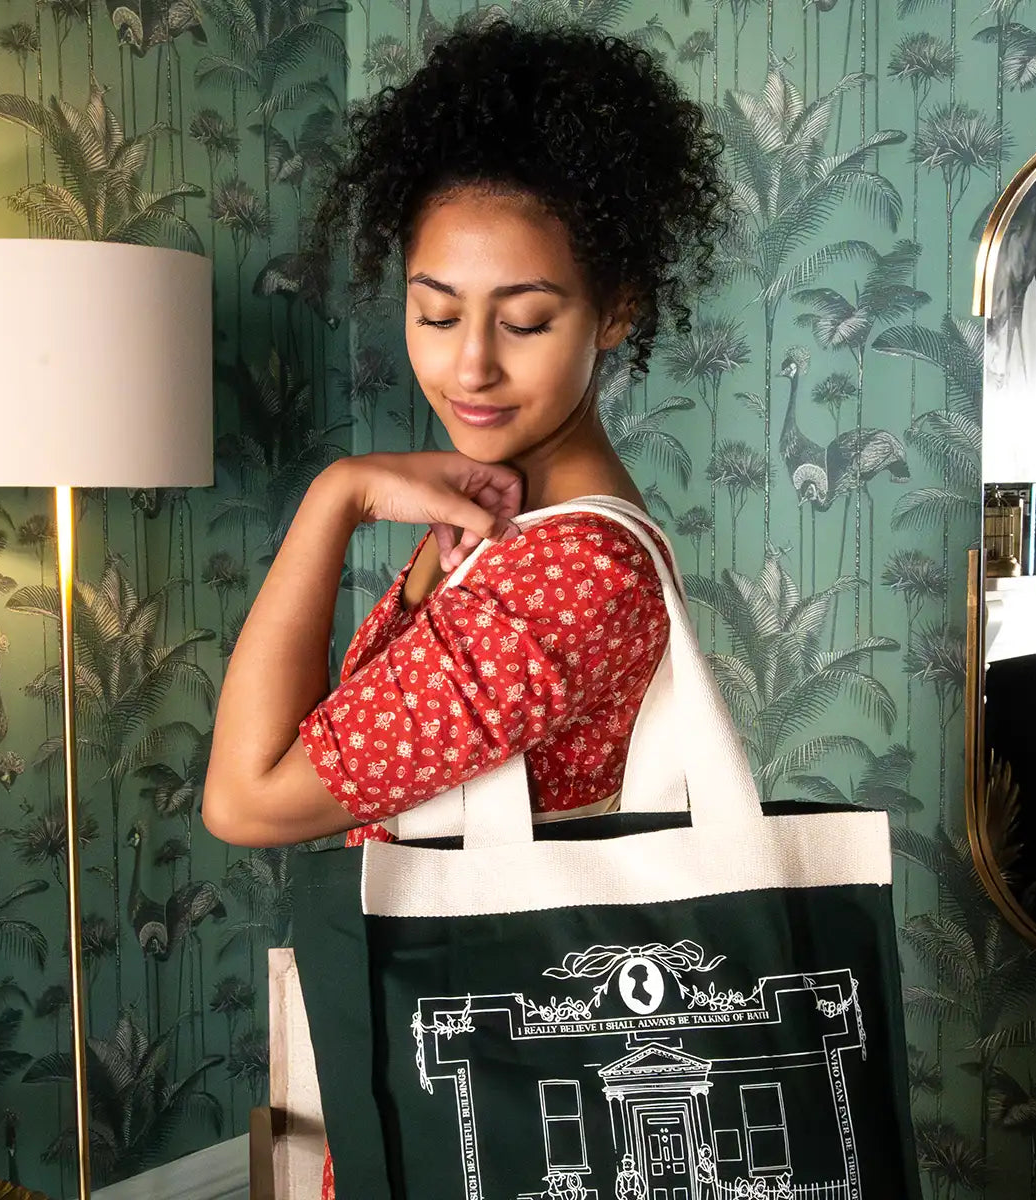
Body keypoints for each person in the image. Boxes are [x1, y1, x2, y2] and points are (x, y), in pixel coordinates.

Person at [201, 16, 730, 1197]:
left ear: (620, 308)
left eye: (527, 319)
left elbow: (248, 795)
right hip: (461, 1069)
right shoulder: (499, 524)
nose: (471, 366)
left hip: (507, 1099)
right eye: (437, 313)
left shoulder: (567, 571)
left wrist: (333, 499)